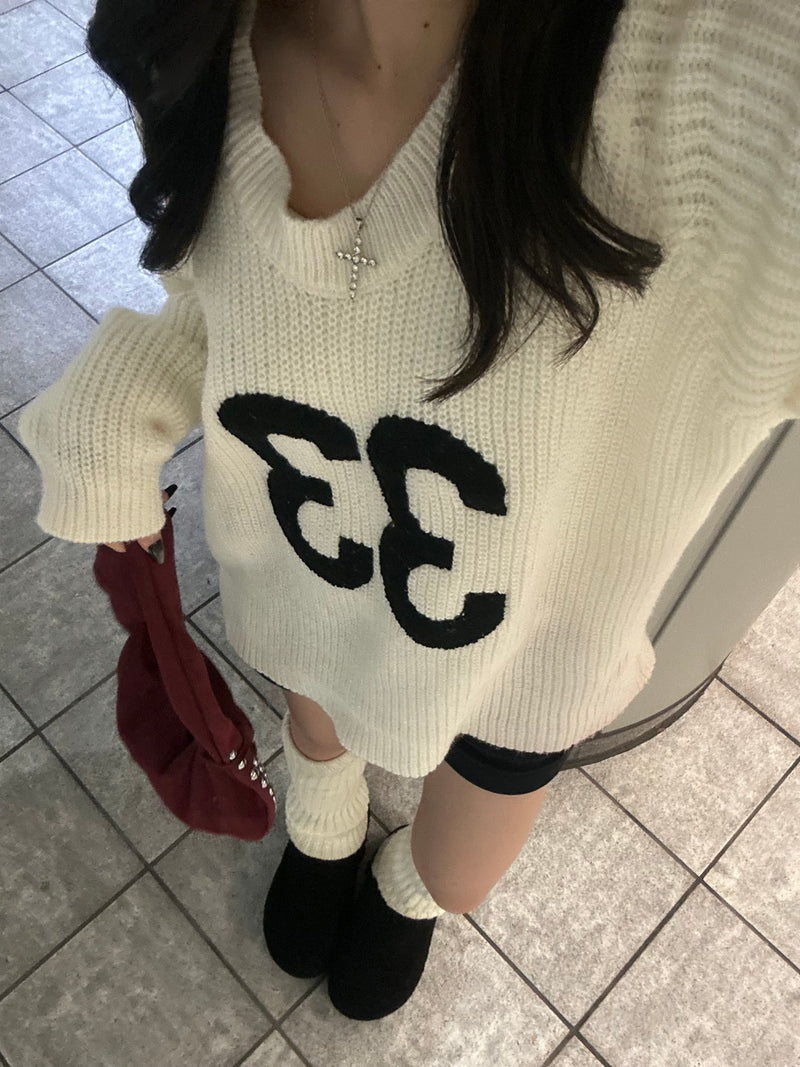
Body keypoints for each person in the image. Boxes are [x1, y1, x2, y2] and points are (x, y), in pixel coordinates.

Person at [18, 0, 800, 1025]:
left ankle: (409, 889)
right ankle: (325, 822)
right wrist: (119, 402)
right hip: (304, 574)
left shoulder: (722, 77)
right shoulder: (190, 31)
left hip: (526, 647)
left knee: (458, 870)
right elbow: (222, 295)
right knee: (316, 719)